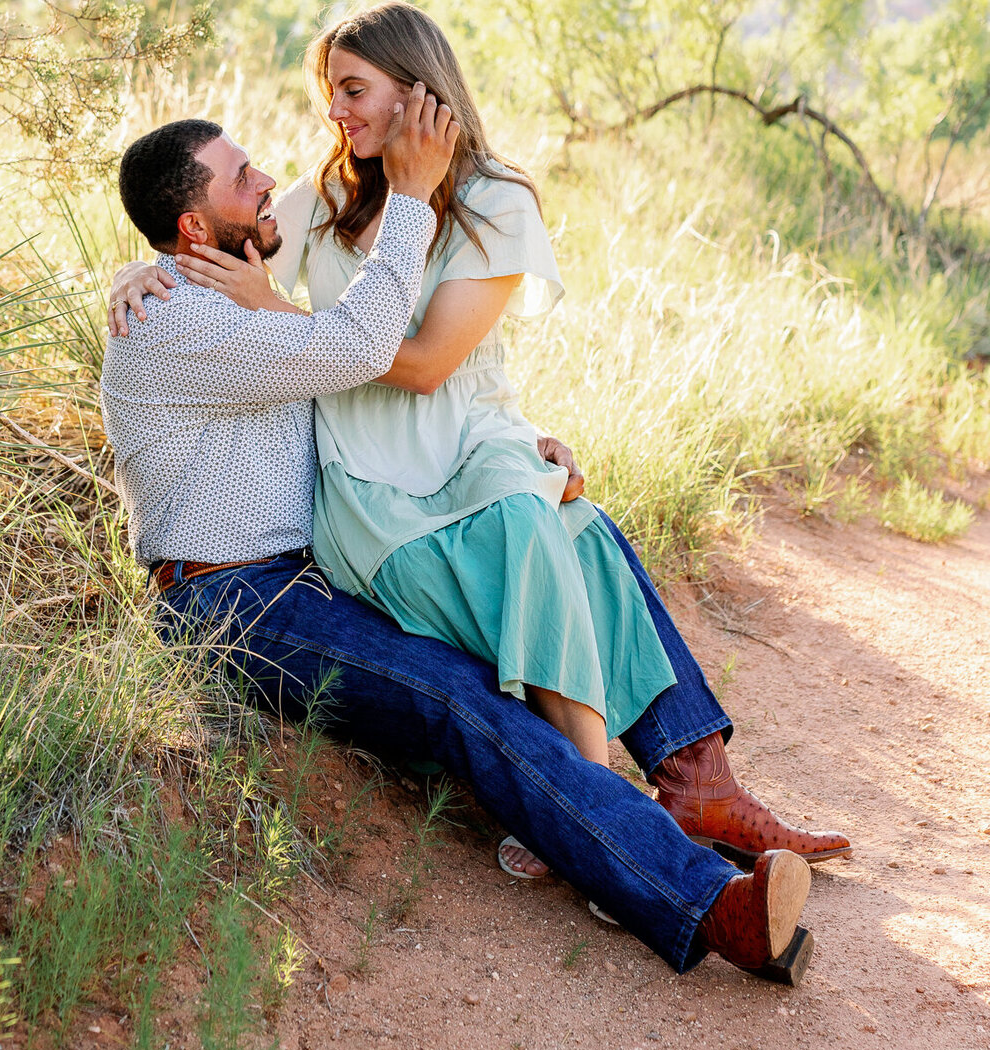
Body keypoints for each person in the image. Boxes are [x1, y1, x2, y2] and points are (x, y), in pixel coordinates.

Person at [100, 92, 839, 984]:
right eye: (240, 176)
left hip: (306, 576)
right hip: (228, 602)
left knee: (572, 533)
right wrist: (412, 195)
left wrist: (517, 444)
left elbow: (367, 388)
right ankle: (711, 906)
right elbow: (363, 345)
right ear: (193, 226)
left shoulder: (224, 288)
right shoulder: (182, 320)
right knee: (457, 700)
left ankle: (696, 783)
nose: (264, 181)